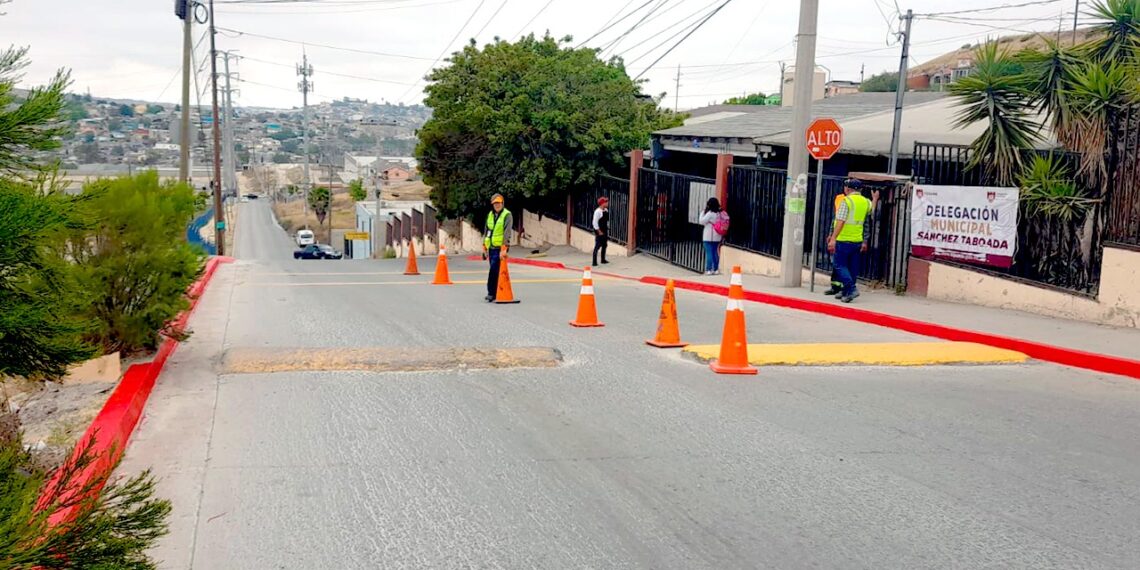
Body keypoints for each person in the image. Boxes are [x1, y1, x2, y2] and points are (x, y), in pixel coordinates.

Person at [827, 179, 872, 303]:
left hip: (843, 239)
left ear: (848, 189)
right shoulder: (866, 202)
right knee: (852, 267)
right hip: (857, 240)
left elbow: (840, 221)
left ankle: (851, 289)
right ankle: (846, 292)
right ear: (861, 190)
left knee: (839, 265)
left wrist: (833, 238)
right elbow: (870, 213)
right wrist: (875, 199)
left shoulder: (846, 201)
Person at [482, 193, 513, 302]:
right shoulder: (490, 215)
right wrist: (484, 247)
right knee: (495, 270)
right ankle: (497, 291)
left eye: (499, 203)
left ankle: (491, 293)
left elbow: (507, 233)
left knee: (494, 270)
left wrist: (504, 249)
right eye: (495, 203)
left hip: (500, 248)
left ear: (502, 203)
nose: (497, 205)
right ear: (492, 204)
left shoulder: (507, 215)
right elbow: (486, 231)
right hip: (491, 247)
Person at [699, 197, 724, 275]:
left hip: (708, 236)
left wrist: (702, 213)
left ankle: (709, 269)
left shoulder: (710, 213)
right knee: (715, 252)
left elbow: (701, 221)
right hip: (717, 235)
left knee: (709, 252)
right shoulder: (720, 213)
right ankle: (716, 269)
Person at [592, 197, 610, 266]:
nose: (607, 203)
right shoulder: (597, 212)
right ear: (602, 203)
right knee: (597, 245)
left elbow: (607, 220)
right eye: (606, 202)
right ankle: (594, 262)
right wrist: (599, 231)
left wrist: (608, 226)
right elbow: (594, 222)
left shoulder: (606, 210)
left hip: (605, 230)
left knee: (605, 245)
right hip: (599, 230)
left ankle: (603, 260)